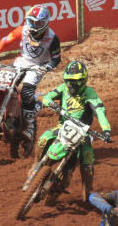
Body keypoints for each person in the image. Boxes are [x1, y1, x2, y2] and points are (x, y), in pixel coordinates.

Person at [0, 4, 61, 140]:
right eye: (32, 22)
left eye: (39, 23)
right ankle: (8, 115)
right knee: (6, 86)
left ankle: (29, 126)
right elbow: (6, 41)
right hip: (22, 61)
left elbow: (56, 58)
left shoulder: (52, 38)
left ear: (45, 23)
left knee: (26, 92)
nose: (35, 26)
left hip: (39, 65)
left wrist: (48, 67)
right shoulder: (22, 30)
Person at [39, 60, 111, 198]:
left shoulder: (90, 93)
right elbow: (47, 96)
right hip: (62, 126)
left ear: (84, 80)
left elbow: (99, 111)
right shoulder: (63, 88)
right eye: (69, 81)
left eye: (76, 82)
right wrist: (50, 103)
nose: (72, 85)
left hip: (83, 133)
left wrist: (106, 130)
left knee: (88, 160)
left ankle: (88, 193)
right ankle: (36, 165)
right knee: (43, 139)